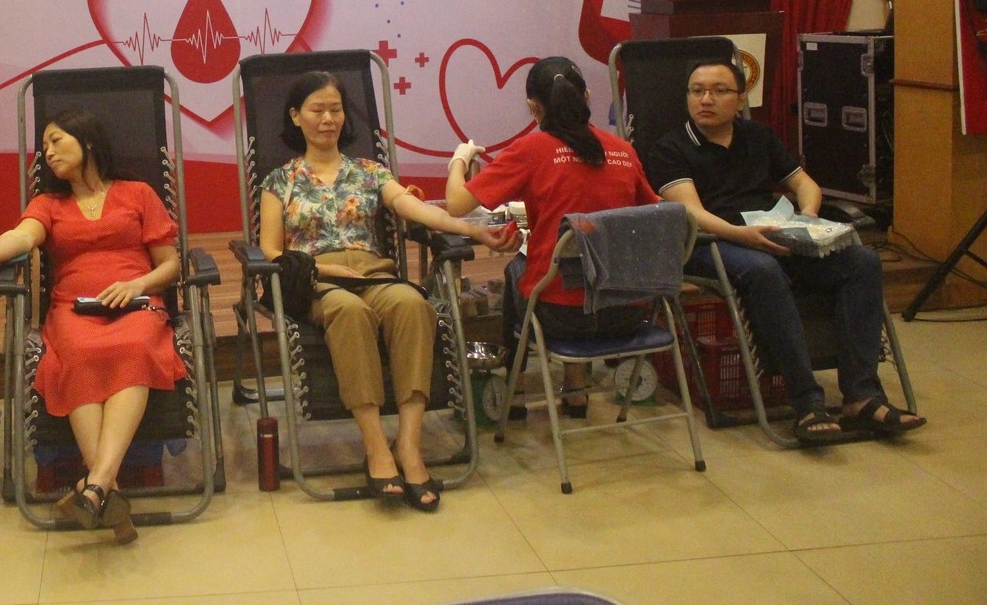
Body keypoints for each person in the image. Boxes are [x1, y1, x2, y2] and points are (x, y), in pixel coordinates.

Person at [260, 71, 515, 514]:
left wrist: (473, 230)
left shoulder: (369, 171)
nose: (328, 119)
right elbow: (270, 250)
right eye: (317, 110)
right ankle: (376, 446)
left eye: (336, 109)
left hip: (374, 274)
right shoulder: (279, 181)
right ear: (296, 117)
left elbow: (416, 209)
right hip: (320, 280)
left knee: (413, 304)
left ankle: (409, 446)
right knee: (349, 312)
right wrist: (323, 267)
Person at [645, 60, 924, 443]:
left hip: (774, 235)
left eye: (719, 91)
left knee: (861, 261)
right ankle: (807, 402)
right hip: (710, 242)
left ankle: (861, 396)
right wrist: (742, 235)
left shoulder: (758, 136)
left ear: (740, 99)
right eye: (697, 91)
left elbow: (805, 185)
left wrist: (807, 219)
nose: (705, 99)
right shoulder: (670, 147)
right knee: (763, 270)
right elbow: (691, 213)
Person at [0, 109, 181, 545]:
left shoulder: (137, 193)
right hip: (73, 311)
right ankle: (103, 490)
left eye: (56, 141)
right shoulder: (49, 204)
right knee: (78, 354)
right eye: (44, 146)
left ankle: (94, 486)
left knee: (135, 346)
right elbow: (22, 237)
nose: (48, 152)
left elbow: (170, 265)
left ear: (87, 141)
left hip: (136, 304)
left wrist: (137, 284)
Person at [444, 57, 661, 421]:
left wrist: (459, 161)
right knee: (579, 269)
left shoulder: (531, 150)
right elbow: (652, 214)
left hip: (564, 318)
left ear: (533, 106)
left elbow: (455, 204)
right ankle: (575, 391)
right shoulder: (623, 151)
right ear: (586, 96)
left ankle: (515, 392)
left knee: (520, 270)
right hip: (629, 312)